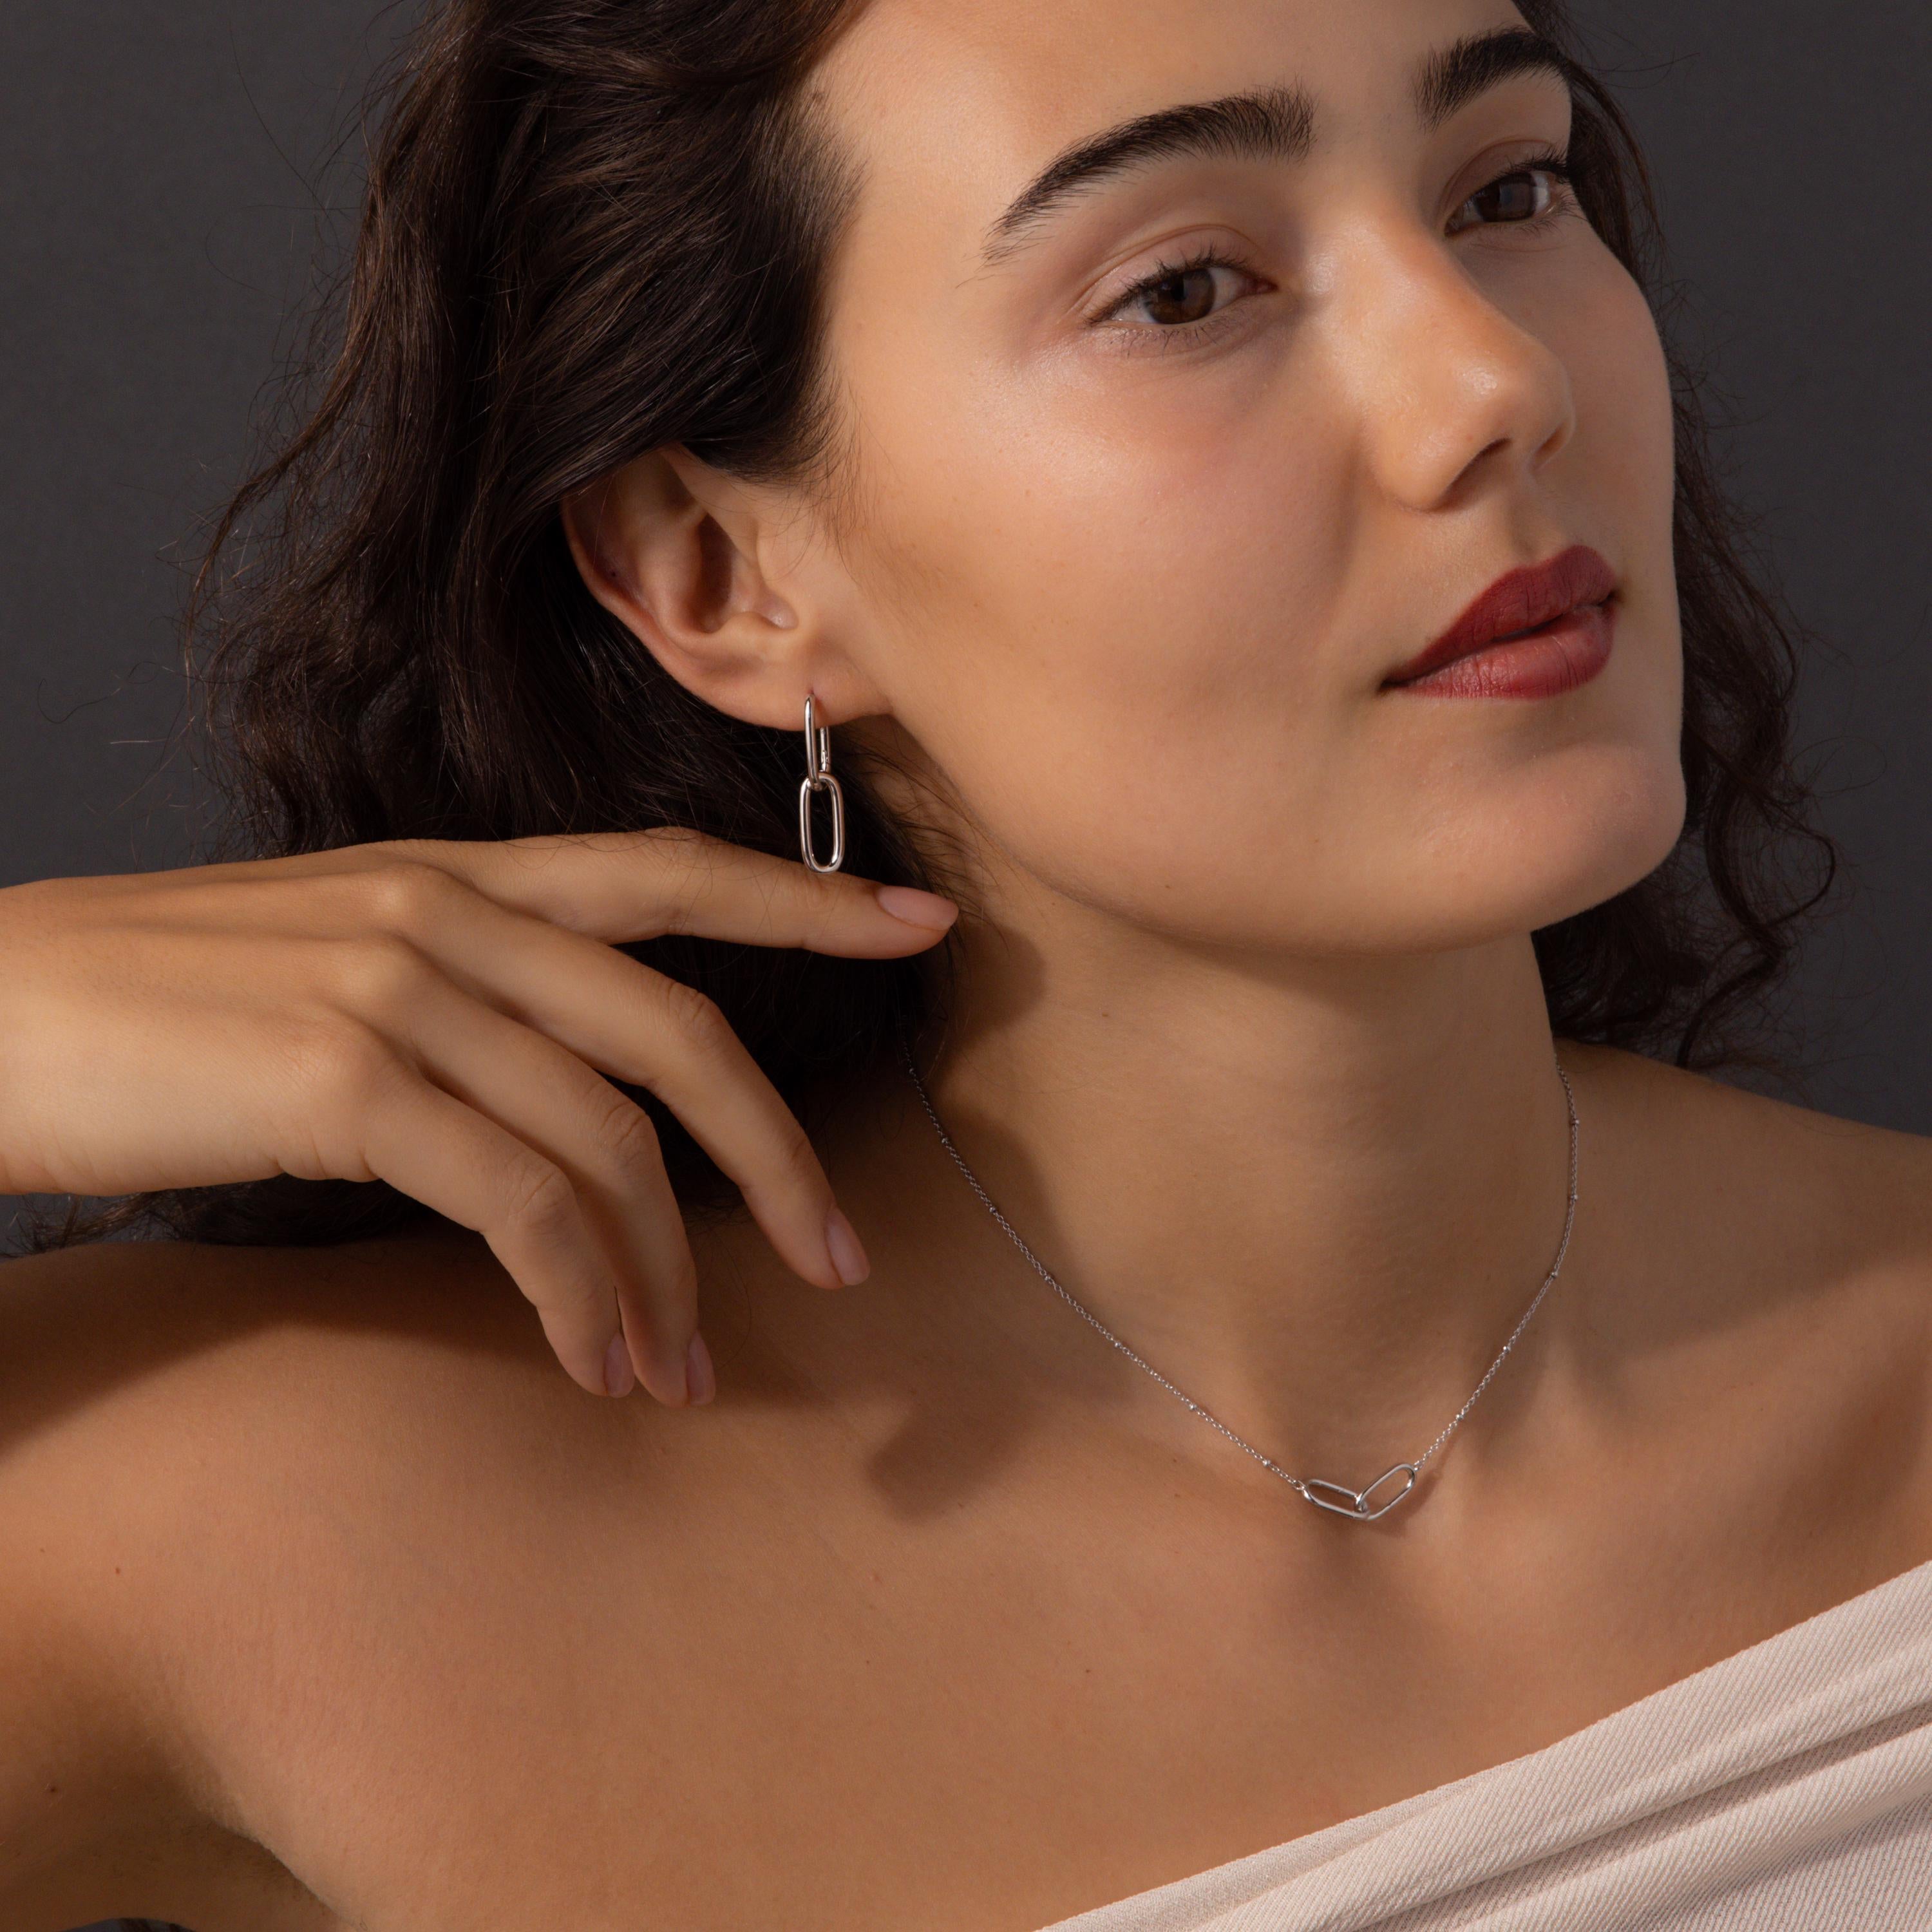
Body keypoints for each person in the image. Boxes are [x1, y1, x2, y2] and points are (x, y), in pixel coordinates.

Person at [3, 0, 1929, 1926]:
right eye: (1186, 289)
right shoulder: (298, 1522)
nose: (1494, 379)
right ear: (715, 573)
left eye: (1509, 185)